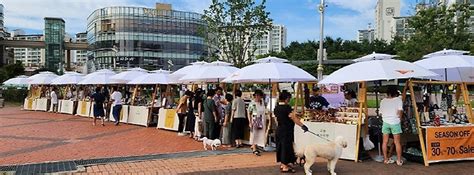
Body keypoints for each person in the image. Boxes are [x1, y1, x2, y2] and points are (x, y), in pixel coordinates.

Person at [275, 91, 308, 173]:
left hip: (279, 129)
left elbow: (276, 119)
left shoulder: (276, 107)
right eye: (289, 98)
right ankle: (285, 166)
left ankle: (283, 164)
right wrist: (302, 126)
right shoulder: (287, 107)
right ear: (286, 99)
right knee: (286, 147)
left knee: (281, 147)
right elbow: (293, 118)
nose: (289, 100)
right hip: (286, 130)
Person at [380, 86, 403, 166]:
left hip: (385, 122)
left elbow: (381, 113)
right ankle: (399, 161)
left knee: (385, 142)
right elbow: (400, 112)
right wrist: (399, 119)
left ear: (388, 93)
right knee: (397, 142)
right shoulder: (398, 100)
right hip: (395, 122)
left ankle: (386, 159)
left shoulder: (383, 101)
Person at [248, 89, 267, 156]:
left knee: (260, 134)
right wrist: (250, 122)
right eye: (256, 95)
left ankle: (256, 145)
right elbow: (249, 113)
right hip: (254, 120)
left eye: (259, 96)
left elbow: (265, 111)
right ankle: (254, 147)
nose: (258, 97)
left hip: (261, 120)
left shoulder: (262, 103)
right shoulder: (252, 103)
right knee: (254, 134)